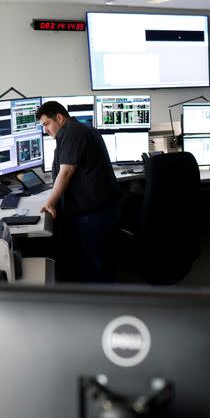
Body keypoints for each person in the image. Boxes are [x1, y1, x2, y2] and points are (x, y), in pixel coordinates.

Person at [36, 101, 121, 282]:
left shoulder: (72, 132)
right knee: (96, 262)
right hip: (98, 208)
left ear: (59, 117)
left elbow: (65, 173)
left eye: (46, 124)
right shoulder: (78, 130)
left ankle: (99, 304)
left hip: (93, 213)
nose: (45, 130)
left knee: (95, 265)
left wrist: (49, 203)